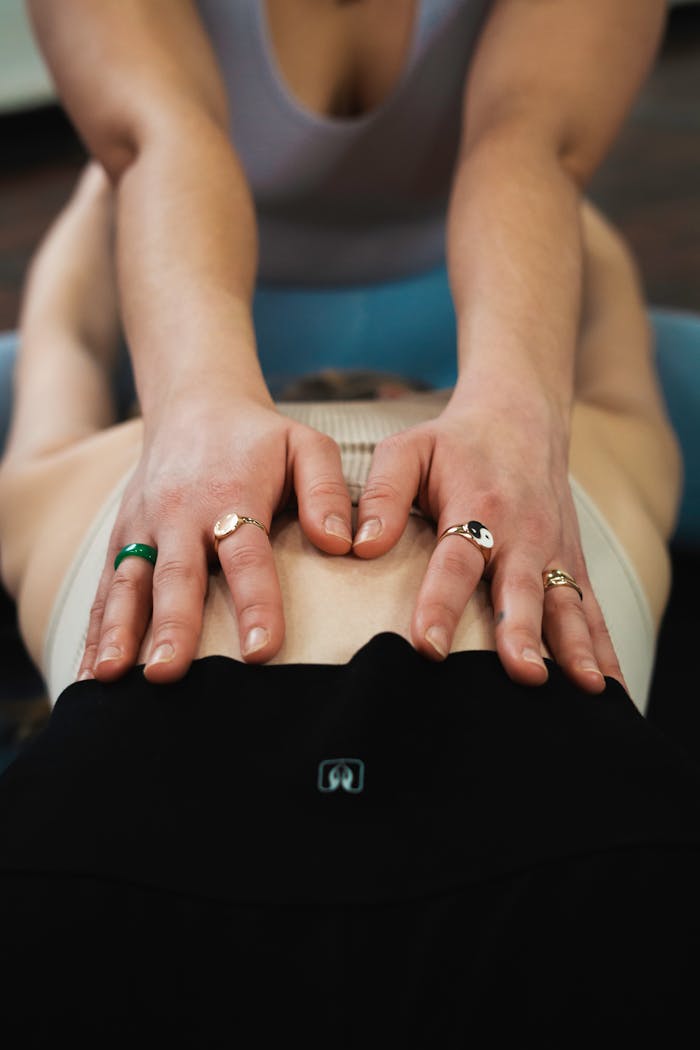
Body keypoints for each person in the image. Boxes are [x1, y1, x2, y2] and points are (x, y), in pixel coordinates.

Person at [0, 154, 699, 1044]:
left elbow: (64, 335)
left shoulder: (117, 469)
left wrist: (116, 180)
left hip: (117, 824)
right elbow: (605, 314)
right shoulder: (556, 463)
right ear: (408, 393)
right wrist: (533, 167)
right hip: (559, 809)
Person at [14, 0, 672, 701]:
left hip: (480, 296)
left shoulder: (55, 482)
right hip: (181, 300)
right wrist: (192, 407)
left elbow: (538, 142)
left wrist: (517, 411)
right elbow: (152, 141)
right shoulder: (615, 445)